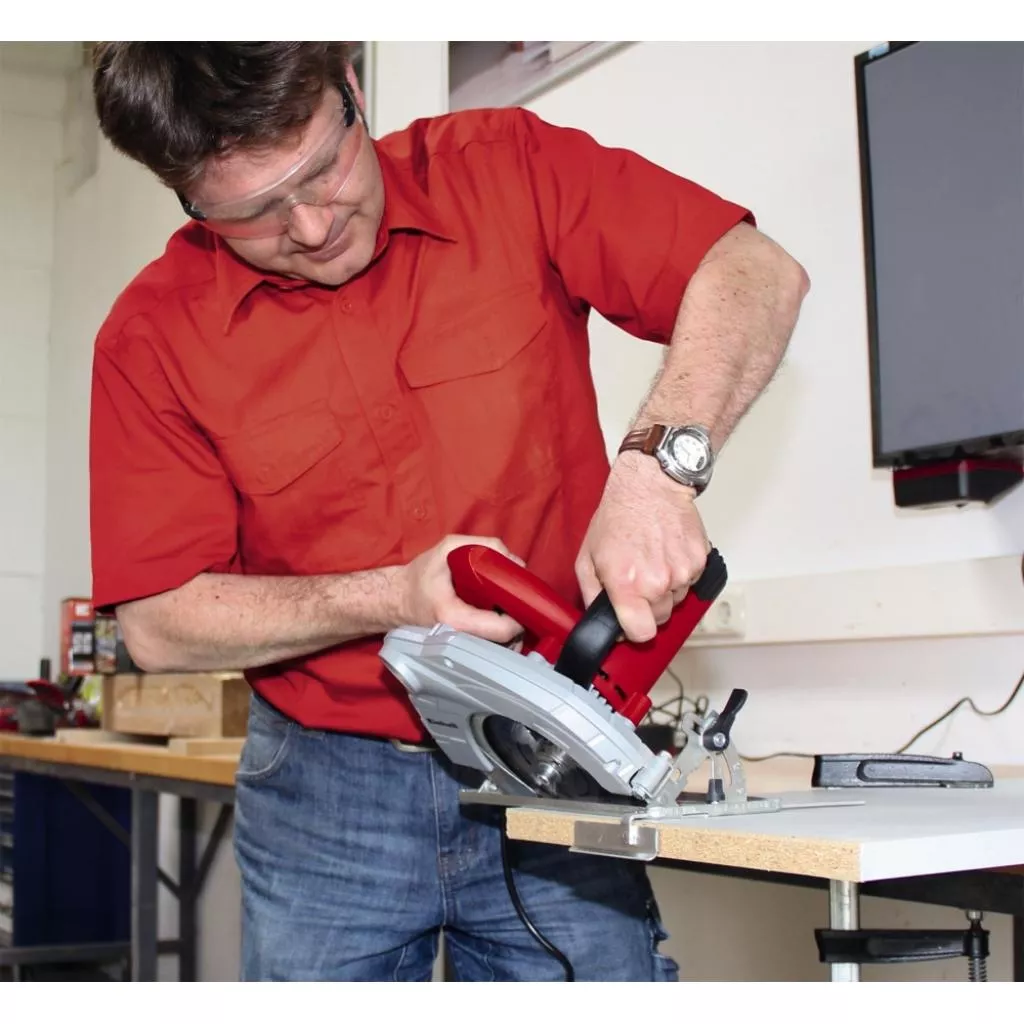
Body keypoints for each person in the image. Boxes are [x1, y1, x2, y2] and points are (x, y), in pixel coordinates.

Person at [88, 42, 809, 982]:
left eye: (322, 168)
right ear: (184, 196)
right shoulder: (150, 338)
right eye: (251, 212)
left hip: (553, 758)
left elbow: (755, 272)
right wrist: (395, 595)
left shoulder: (507, 169)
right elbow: (158, 623)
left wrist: (654, 474)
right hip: (323, 793)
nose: (311, 225)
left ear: (352, 87)